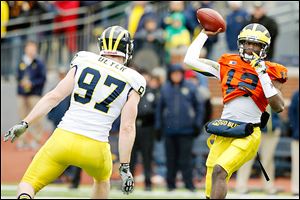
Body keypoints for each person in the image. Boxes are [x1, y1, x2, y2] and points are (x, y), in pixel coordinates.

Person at [4, 25, 146, 199]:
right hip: (96, 146)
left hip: (64, 137)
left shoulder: (84, 60)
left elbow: (53, 97)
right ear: (127, 48)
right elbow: (127, 127)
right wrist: (124, 166)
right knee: (102, 180)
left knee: (28, 183)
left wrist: (25, 122)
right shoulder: (134, 79)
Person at [184, 23, 288, 198]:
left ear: (264, 48)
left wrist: (261, 73)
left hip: (248, 133)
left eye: (255, 45)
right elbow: (189, 61)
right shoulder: (228, 63)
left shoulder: (271, 71)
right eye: (247, 43)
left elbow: (278, 106)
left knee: (220, 170)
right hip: (225, 130)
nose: (250, 48)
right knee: (211, 181)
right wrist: (203, 34)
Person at [155, 64, 203, 192]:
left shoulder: (190, 87)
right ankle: (170, 185)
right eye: (174, 73)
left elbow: (199, 107)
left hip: (186, 130)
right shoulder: (165, 89)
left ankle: (189, 185)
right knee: (170, 159)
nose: (176, 76)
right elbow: (159, 110)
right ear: (170, 75)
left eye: (179, 73)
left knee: (185, 159)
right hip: (169, 130)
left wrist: (197, 124)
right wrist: (158, 127)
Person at [235, 105, 282, 194]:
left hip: (271, 133)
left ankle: (269, 186)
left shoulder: (273, 92)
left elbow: (278, 108)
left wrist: (277, 125)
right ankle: (241, 186)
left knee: (268, 161)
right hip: (254, 131)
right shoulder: (253, 92)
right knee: (247, 158)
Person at [16, 40, 47, 150]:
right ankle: (22, 141)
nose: (31, 51)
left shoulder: (39, 62)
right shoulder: (21, 61)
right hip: (22, 95)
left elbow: (43, 79)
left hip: (34, 94)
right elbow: (18, 77)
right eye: (29, 48)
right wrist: (22, 83)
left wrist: (32, 84)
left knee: (37, 118)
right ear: (25, 49)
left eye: (33, 48)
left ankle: (36, 140)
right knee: (22, 118)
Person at [288, 89, 299, 196]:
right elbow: (291, 113)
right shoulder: (296, 95)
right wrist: (295, 130)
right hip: (297, 137)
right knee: (297, 164)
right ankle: (296, 188)